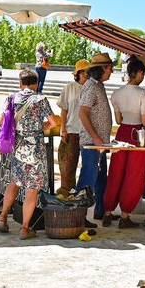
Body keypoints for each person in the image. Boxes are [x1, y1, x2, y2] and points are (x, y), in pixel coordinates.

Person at [0, 70, 60, 239]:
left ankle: (2, 218)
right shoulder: (41, 100)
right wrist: (42, 128)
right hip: (35, 150)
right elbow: (53, 122)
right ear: (36, 84)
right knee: (31, 189)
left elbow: (0, 122)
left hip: (18, 148)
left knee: (14, 182)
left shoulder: (12, 98)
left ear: (20, 83)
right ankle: (25, 228)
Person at [104, 57, 145, 228]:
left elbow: (118, 119)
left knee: (116, 172)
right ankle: (125, 215)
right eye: (142, 74)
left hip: (122, 132)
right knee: (134, 175)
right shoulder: (144, 94)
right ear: (139, 73)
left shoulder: (116, 94)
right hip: (138, 134)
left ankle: (108, 212)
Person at [76, 52, 114, 228]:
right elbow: (82, 112)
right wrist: (96, 137)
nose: (112, 71)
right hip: (92, 144)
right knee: (87, 180)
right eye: (110, 68)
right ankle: (78, 216)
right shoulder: (92, 87)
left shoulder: (98, 85)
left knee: (99, 179)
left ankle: (99, 210)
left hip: (98, 143)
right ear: (102, 69)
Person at [56, 59, 90, 195]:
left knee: (88, 168)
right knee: (67, 168)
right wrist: (63, 129)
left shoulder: (93, 88)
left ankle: (82, 196)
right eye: (84, 72)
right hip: (71, 131)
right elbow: (63, 110)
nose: (86, 75)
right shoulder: (69, 88)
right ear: (78, 73)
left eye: (88, 72)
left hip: (88, 133)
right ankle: (67, 197)